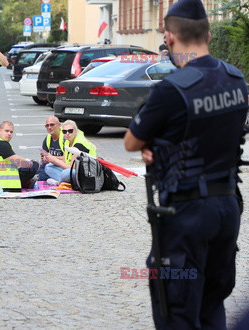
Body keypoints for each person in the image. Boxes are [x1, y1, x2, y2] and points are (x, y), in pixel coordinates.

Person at [123, 0, 248, 328]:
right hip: (228, 207)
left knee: (176, 306)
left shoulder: (172, 89)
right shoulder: (236, 79)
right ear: (207, 35)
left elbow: (132, 142)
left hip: (188, 212)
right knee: (212, 304)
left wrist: (158, 145)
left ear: (170, 38)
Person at [0, 120, 39, 191]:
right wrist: (31, 163)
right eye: (6, 131)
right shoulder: (1, 144)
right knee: (34, 165)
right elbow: (18, 162)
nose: (9, 134)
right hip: (4, 185)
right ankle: (26, 183)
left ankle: (27, 183)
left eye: (11, 132)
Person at [44, 120, 97, 185]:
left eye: (70, 131)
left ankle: (59, 182)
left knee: (67, 173)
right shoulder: (67, 141)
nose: (67, 133)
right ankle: (65, 182)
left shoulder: (79, 144)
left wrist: (55, 160)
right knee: (48, 167)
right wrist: (51, 158)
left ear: (76, 131)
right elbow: (65, 159)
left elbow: (72, 168)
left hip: (87, 173)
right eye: (64, 131)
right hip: (73, 171)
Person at [37, 116, 64, 181]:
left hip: (62, 166)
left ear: (59, 125)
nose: (49, 127)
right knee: (34, 168)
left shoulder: (65, 137)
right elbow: (44, 159)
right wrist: (44, 159)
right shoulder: (47, 139)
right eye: (47, 125)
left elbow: (68, 159)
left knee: (44, 172)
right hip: (51, 165)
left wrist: (51, 158)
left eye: (52, 125)